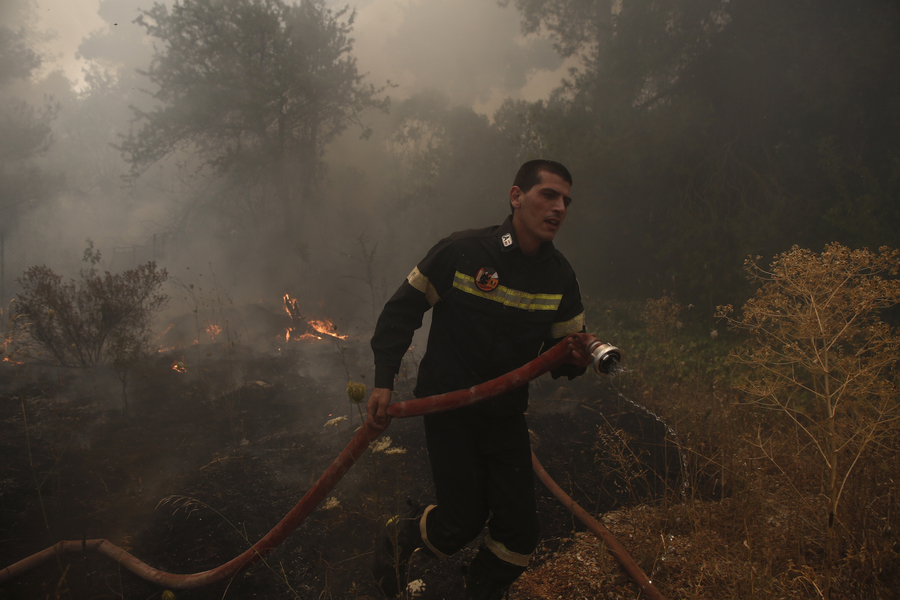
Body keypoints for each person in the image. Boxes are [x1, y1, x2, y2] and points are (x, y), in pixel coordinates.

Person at [366, 159, 596, 599]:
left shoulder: (560, 276)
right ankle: (403, 535)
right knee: (459, 523)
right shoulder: (463, 251)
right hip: (448, 408)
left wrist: (579, 357)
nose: (559, 208)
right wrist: (383, 380)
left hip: (504, 413)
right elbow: (401, 312)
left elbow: (562, 359)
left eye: (566, 200)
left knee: (519, 536)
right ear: (516, 196)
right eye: (548, 194)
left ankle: (478, 589)